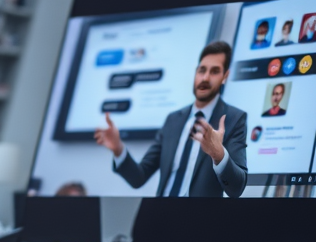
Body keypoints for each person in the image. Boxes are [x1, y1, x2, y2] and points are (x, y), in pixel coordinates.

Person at [93, 40, 248, 198]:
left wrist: (218, 154)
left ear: (225, 76)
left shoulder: (234, 119)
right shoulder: (173, 120)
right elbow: (139, 177)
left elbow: (236, 188)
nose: (205, 78)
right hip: (161, 211)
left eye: (214, 71)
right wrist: (118, 148)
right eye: (202, 70)